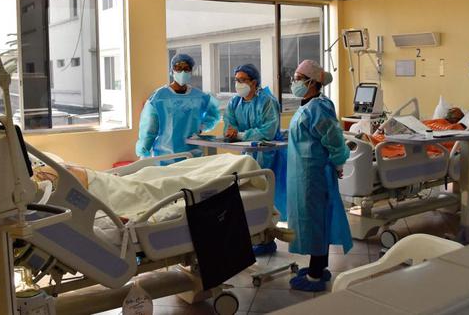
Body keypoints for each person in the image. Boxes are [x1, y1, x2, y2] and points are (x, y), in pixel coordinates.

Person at [286, 60, 352, 292]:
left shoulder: (319, 107)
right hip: (304, 172)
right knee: (312, 218)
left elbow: (333, 139)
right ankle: (319, 265)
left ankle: (315, 274)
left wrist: (337, 161)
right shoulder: (307, 105)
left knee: (314, 220)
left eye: (297, 78)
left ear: (311, 82)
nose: (293, 82)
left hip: (312, 173)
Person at [223, 63, 287, 218]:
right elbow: (229, 127)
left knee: (270, 194)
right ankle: (255, 228)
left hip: (270, 154)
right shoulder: (234, 102)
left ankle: (269, 230)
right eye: (236, 80)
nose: (238, 84)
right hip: (248, 154)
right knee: (251, 193)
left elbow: (268, 132)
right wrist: (232, 133)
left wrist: (240, 135)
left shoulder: (267, 101)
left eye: (243, 80)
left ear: (254, 82)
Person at [135, 53, 220, 160]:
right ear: (172, 70)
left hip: (192, 154)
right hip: (164, 155)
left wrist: (200, 127)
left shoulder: (199, 97)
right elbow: (149, 129)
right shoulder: (159, 97)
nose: (183, 72)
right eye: (178, 68)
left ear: (191, 71)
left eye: (186, 68)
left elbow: (213, 113)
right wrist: (144, 150)